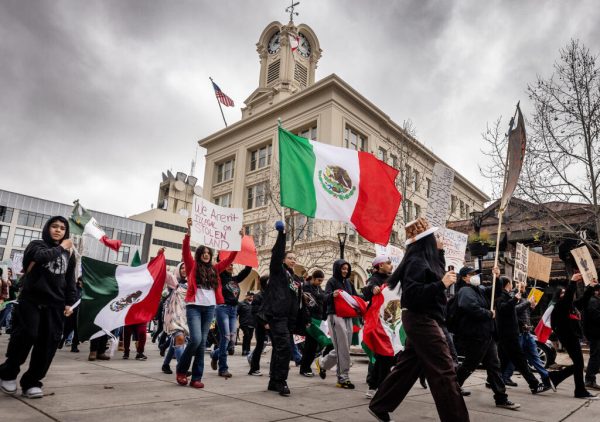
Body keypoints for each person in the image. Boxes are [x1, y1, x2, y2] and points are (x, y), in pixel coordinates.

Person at [369, 218, 468, 422]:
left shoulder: (427, 259)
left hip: (425, 319)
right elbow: (413, 295)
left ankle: (380, 405)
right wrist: (441, 284)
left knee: (408, 367)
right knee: (444, 370)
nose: (439, 239)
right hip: (421, 320)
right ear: (426, 240)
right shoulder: (416, 262)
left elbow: (435, 277)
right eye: (435, 237)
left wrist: (440, 254)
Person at [0, 216, 76, 398]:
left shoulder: (69, 255)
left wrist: (69, 302)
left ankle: (32, 381)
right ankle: (8, 373)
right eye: (54, 226)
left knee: (48, 343)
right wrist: (61, 247)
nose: (58, 230)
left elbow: (69, 279)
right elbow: (41, 257)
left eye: (62, 228)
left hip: (55, 304)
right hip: (31, 300)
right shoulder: (36, 245)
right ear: (47, 228)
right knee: (27, 335)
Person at [175, 217, 238, 388]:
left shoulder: (215, 269)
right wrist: (188, 232)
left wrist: (237, 241)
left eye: (208, 253)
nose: (206, 254)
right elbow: (185, 251)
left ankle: (196, 377)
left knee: (202, 343)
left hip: (209, 308)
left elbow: (229, 260)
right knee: (195, 340)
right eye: (203, 252)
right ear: (199, 255)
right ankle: (181, 370)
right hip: (194, 307)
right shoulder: (192, 266)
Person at [453, 266, 520, 410]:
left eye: (476, 274)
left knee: (494, 366)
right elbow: (469, 307)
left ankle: (501, 398)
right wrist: (489, 314)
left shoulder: (480, 289)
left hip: (486, 334)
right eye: (472, 274)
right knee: (469, 365)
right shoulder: (465, 291)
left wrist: (496, 277)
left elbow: (495, 292)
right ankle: (451, 388)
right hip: (475, 335)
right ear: (464, 277)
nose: (476, 276)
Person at [259, 221, 303, 396]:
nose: (293, 260)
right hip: (277, 316)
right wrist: (282, 234)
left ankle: (273, 380)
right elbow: (276, 254)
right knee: (284, 348)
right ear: (283, 260)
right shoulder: (278, 271)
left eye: (294, 258)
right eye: (290, 257)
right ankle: (281, 381)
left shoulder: (295, 278)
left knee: (279, 348)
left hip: (288, 319)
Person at [494, 272, 550, 394]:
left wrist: (527, 303)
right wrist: (516, 299)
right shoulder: (503, 297)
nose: (513, 286)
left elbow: (516, 313)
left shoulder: (511, 296)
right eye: (511, 284)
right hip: (511, 334)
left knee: (506, 361)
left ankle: (495, 382)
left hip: (513, 333)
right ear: (507, 285)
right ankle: (534, 385)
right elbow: (508, 310)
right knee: (518, 361)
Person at [549, 272, 598, 399]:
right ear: (559, 297)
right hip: (567, 337)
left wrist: (591, 287)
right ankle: (579, 391)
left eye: (566, 292)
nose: (565, 294)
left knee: (578, 364)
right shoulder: (560, 306)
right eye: (563, 293)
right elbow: (568, 298)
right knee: (579, 363)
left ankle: (556, 378)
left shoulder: (571, 306)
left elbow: (583, 300)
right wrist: (573, 281)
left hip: (573, 336)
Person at [315, 258, 359, 389]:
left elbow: (356, 297)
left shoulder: (349, 283)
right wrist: (332, 295)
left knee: (344, 347)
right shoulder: (331, 281)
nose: (345, 270)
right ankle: (343, 378)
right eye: (343, 268)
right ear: (337, 269)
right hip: (335, 316)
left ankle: (322, 363)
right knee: (342, 347)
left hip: (348, 316)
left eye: (347, 268)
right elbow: (324, 297)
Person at [210, 261, 252, 377]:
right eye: (228, 264)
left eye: (232, 265)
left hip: (233, 310)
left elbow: (246, 271)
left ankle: (214, 354)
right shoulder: (219, 278)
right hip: (222, 308)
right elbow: (218, 265)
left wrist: (249, 261)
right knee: (226, 337)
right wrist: (221, 258)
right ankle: (223, 368)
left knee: (232, 341)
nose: (230, 266)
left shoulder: (235, 279)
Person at [362, 256, 394, 398]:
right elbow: (367, 290)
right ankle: (376, 386)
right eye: (388, 263)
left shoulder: (392, 278)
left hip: (391, 323)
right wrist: (373, 289)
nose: (391, 265)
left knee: (385, 357)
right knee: (383, 356)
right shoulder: (373, 279)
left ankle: (377, 386)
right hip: (378, 324)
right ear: (380, 266)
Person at [162, 262, 188, 374]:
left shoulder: (194, 283)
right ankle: (182, 369)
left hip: (185, 317)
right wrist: (160, 258)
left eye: (186, 267)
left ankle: (165, 364)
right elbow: (163, 273)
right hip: (173, 316)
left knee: (177, 341)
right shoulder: (174, 281)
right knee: (180, 339)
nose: (184, 269)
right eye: (182, 267)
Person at [298, 270, 326, 377]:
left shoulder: (318, 289)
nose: (320, 283)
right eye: (319, 280)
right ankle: (304, 368)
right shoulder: (306, 288)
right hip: (310, 320)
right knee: (310, 345)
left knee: (314, 346)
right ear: (313, 278)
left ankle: (305, 366)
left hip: (318, 320)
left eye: (321, 281)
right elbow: (307, 305)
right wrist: (307, 320)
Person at [248, 275, 269, 376]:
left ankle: (274, 370)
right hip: (261, 325)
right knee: (260, 346)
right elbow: (255, 312)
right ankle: (254, 368)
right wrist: (264, 323)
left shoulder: (272, 295)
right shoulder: (258, 296)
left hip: (271, 324)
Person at [581, 280, 600, 390]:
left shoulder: (594, 300)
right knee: (595, 356)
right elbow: (596, 316)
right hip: (594, 333)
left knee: (596, 356)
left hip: (595, 333)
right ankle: (589, 380)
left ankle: (591, 377)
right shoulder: (592, 301)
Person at [237, 292, 255, 356]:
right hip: (244, 323)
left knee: (250, 337)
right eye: (250, 296)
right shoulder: (241, 304)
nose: (251, 297)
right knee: (246, 335)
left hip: (252, 323)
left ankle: (248, 350)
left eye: (252, 296)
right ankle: (244, 350)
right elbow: (237, 313)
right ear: (246, 296)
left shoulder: (254, 304)